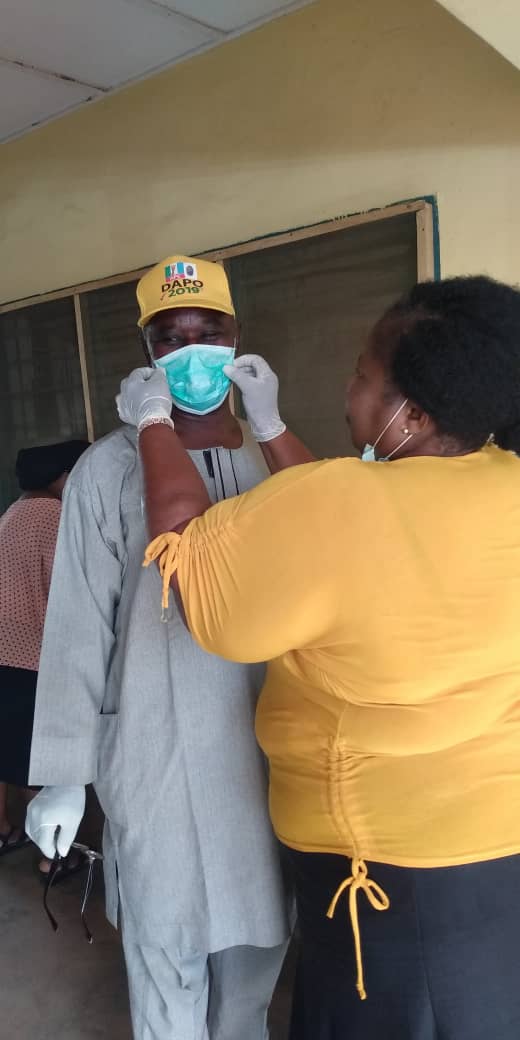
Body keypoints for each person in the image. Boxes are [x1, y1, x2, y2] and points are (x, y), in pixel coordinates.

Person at [118, 275, 520, 1040]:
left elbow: (192, 558)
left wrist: (152, 424)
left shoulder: (337, 501)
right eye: (169, 339)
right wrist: (272, 429)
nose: (348, 389)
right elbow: (329, 531)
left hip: (385, 884)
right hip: (499, 850)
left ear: (414, 413)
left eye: (363, 376)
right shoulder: (505, 481)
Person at [26, 256, 291, 1040]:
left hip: (266, 746)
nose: (193, 351)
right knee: (164, 945)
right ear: (146, 350)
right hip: (153, 750)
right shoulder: (108, 470)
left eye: (210, 330)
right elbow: (77, 625)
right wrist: (64, 774)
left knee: (255, 962)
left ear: (237, 334)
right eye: (171, 337)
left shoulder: (272, 457)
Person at [0, 439, 89, 868]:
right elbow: (67, 589)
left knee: (8, 747)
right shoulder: (54, 517)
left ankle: (4, 830)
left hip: (3, 651)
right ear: (63, 478)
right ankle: (52, 856)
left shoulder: (11, 514)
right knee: (40, 757)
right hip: (33, 656)